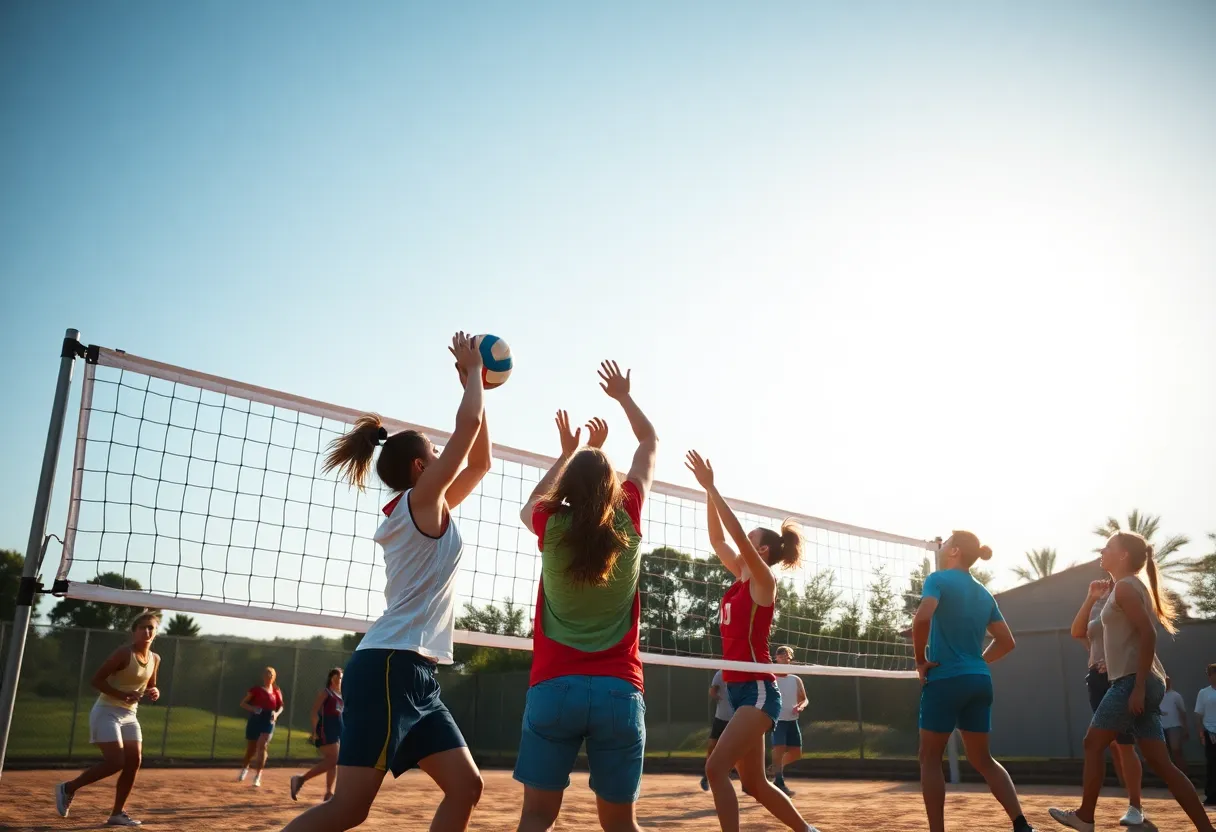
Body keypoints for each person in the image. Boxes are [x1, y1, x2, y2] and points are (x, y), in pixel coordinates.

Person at [280, 332, 490, 832]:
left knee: (467, 787)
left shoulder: (421, 507)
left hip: (414, 672)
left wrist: (477, 387)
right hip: (391, 666)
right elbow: (468, 424)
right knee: (349, 809)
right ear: (422, 467)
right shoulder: (420, 502)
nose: (445, 454)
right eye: (437, 452)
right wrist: (473, 378)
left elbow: (480, 461)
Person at [512, 361, 657, 832]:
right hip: (619, 691)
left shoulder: (550, 525)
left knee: (536, 818)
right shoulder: (629, 515)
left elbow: (530, 504)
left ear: (566, 489)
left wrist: (568, 453)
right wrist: (623, 397)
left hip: (554, 687)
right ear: (613, 488)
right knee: (621, 826)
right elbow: (649, 444)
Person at [685, 449, 819, 832]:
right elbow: (717, 538)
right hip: (737, 689)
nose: (745, 539)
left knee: (714, 769)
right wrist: (708, 494)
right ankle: (808, 831)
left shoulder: (763, 582)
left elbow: (736, 538)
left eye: (751, 538)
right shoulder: (739, 576)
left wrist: (714, 486)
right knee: (755, 783)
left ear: (760, 551)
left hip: (759, 691)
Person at [1049, 533, 1214, 832]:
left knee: (1092, 743)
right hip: (1140, 681)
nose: (1102, 550)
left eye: (1108, 547)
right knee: (1162, 764)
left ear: (1123, 555)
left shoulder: (1125, 588)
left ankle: (1085, 817)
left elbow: (1148, 634)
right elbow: (1099, 634)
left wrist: (1137, 687)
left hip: (1131, 683)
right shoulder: (1124, 588)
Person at [912, 531, 1034, 832]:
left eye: (946, 544)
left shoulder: (937, 579)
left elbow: (922, 618)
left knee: (929, 758)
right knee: (983, 759)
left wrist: (920, 661)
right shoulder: (983, 593)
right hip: (979, 680)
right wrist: (976, 663)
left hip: (945, 679)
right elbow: (1007, 642)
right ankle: (1021, 824)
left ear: (953, 551)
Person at [55, 610, 162, 827]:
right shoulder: (123, 653)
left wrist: (154, 691)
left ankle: (117, 813)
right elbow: (96, 680)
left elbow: (150, 685)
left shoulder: (155, 659)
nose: (148, 631)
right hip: (107, 711)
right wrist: (123, 695)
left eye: (151, 628)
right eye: (143, 627)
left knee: (134, 762)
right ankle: (68, 788)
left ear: (156, 632)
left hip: (130, 714)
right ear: (134, 632)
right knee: (116, 762)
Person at [1067, 576, 1145, 825]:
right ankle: (1097, 810)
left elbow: (1141, 637)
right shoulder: (1101, 604)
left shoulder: (1127, 597)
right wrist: (1091, 597)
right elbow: (1077, 632)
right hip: (1097, 680)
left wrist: (1115, 664)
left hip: (1119, 678)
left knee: (1124, 744)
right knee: (1105, 744)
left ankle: (1135, 806)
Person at [290, 668, 344, 803]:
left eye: (341, 677)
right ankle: (300, 779)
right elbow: (314, 712)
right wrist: (315, 732)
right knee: (334, 759)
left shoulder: (341, 696)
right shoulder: (326, 693)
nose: (339, 679)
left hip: (338, 731)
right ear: (331, 678)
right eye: (336, 677)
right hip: (325, 730)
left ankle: (329, 793)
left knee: (333, 762)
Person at [769, 646, 807, 797]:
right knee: (779, 748)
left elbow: (804, 699)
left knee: (796, 753)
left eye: (787, 656)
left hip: (792, 720)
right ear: (776, 658)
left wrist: (801, 706)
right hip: (777, 719)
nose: (784, 658)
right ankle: (779, 781)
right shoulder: (771, 678)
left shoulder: (795, 679)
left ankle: (775, 768)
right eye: (781, 656)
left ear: (790, 660)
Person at [239, 666, 284, 788]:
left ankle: (258, 776)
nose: (268, 676)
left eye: (271, 675)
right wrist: (253, 708)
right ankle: (244, 769)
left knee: (262, 745)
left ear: (274, 677)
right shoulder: (256, 690)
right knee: (251, 749)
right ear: (263, 676)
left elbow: (281, 707)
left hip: (268, 720)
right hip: (256, 719)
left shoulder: (276, 691)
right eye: (266, 674)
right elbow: (243, 703)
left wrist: (276, 714)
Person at [701, 670, 737, 792]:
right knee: (712, 746)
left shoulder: (744, 672)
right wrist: (715, 695)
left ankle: (725, 775)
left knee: (732, 750)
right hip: (720, 717)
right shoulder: (720, 673)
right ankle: (706, 777)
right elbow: (713, 690)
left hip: (737, 718)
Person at [1160, 676, 1190, 771]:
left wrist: (1185, 729)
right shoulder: (1158, 695)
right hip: (1161, 727)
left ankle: (1184, 773)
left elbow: (1182, 712)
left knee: (1176, 750)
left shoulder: (1176, 696)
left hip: (1174, 726)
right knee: (1164, 753)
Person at [1197, 663, 1216, 807]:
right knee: (1211, 764)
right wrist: (1202, 733)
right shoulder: (1204, 693)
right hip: (1210, 732)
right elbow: (1199, 714)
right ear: (1209, 677)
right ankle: (1211, 795)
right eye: (1212, 674)